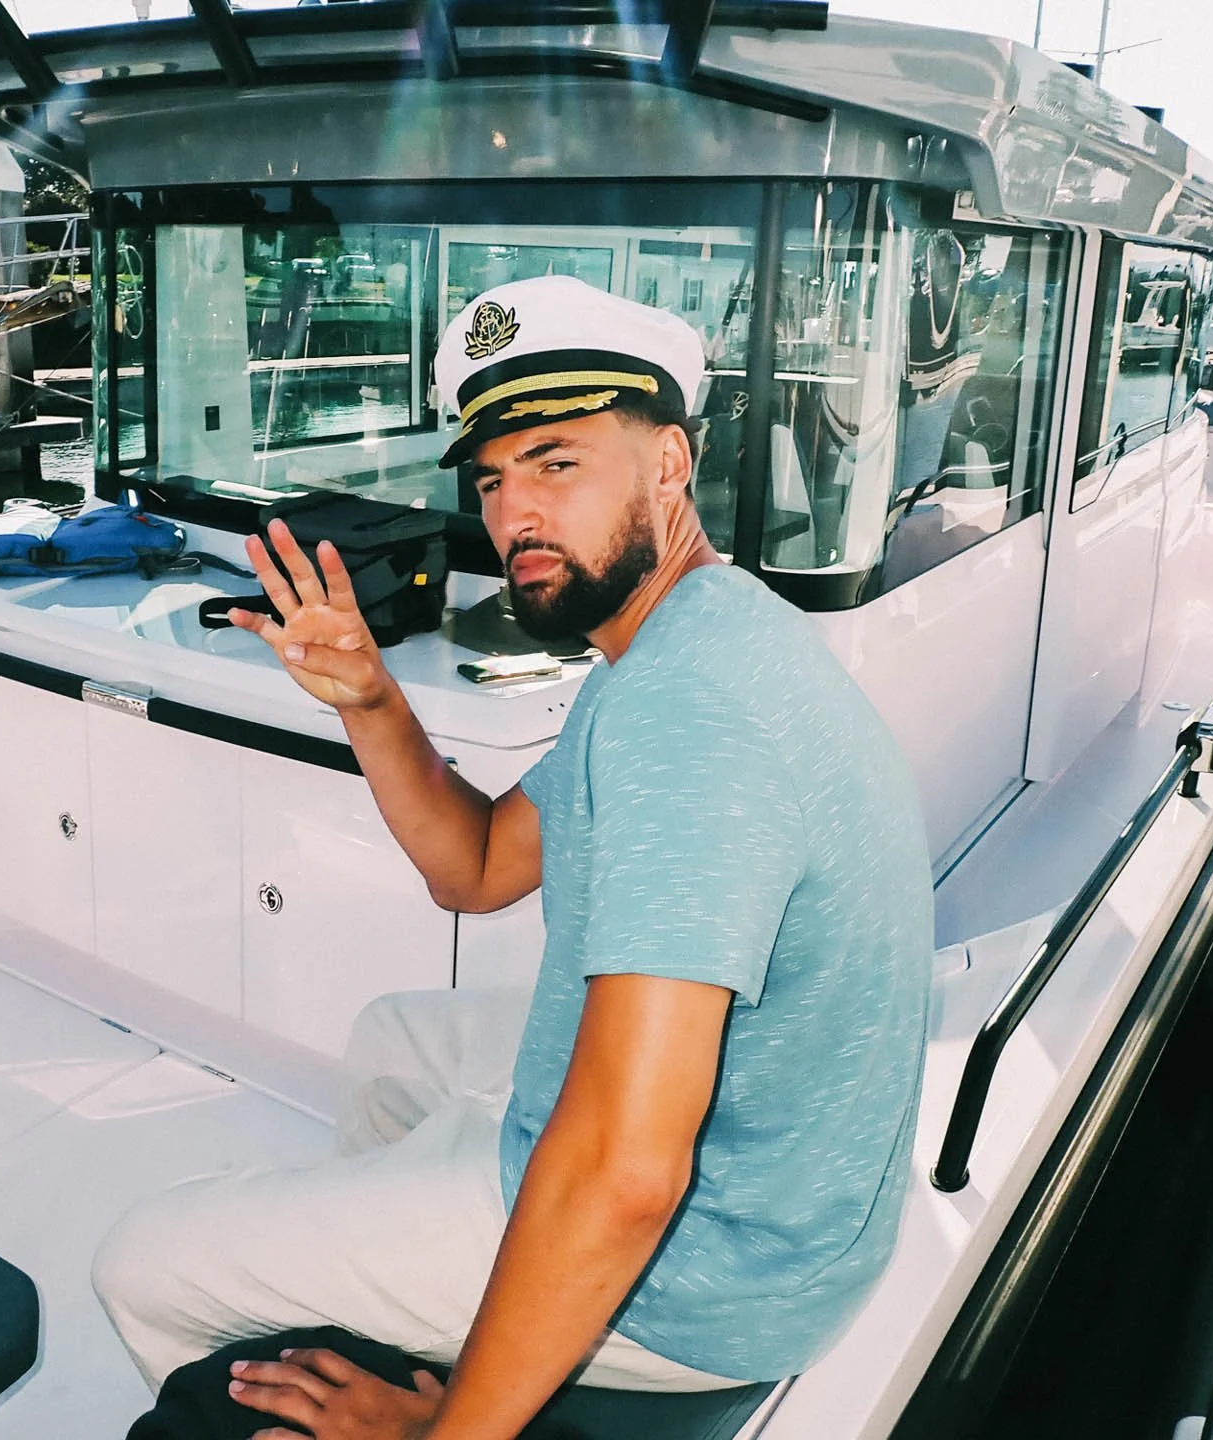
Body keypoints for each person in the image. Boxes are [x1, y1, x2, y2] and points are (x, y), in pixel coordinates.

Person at [93, 275, 934, 1439]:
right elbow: (478, 867)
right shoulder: (673, 635)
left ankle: (433, 1393)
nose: (512, 516)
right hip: (780, 1164)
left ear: (669, 466)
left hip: (719, 1268)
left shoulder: (689, 712)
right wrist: (372, 699)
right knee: (394, 1036)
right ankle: (393, 1328)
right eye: (492, 480)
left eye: (555, 463)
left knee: (144, 1262)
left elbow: (631, 1173)